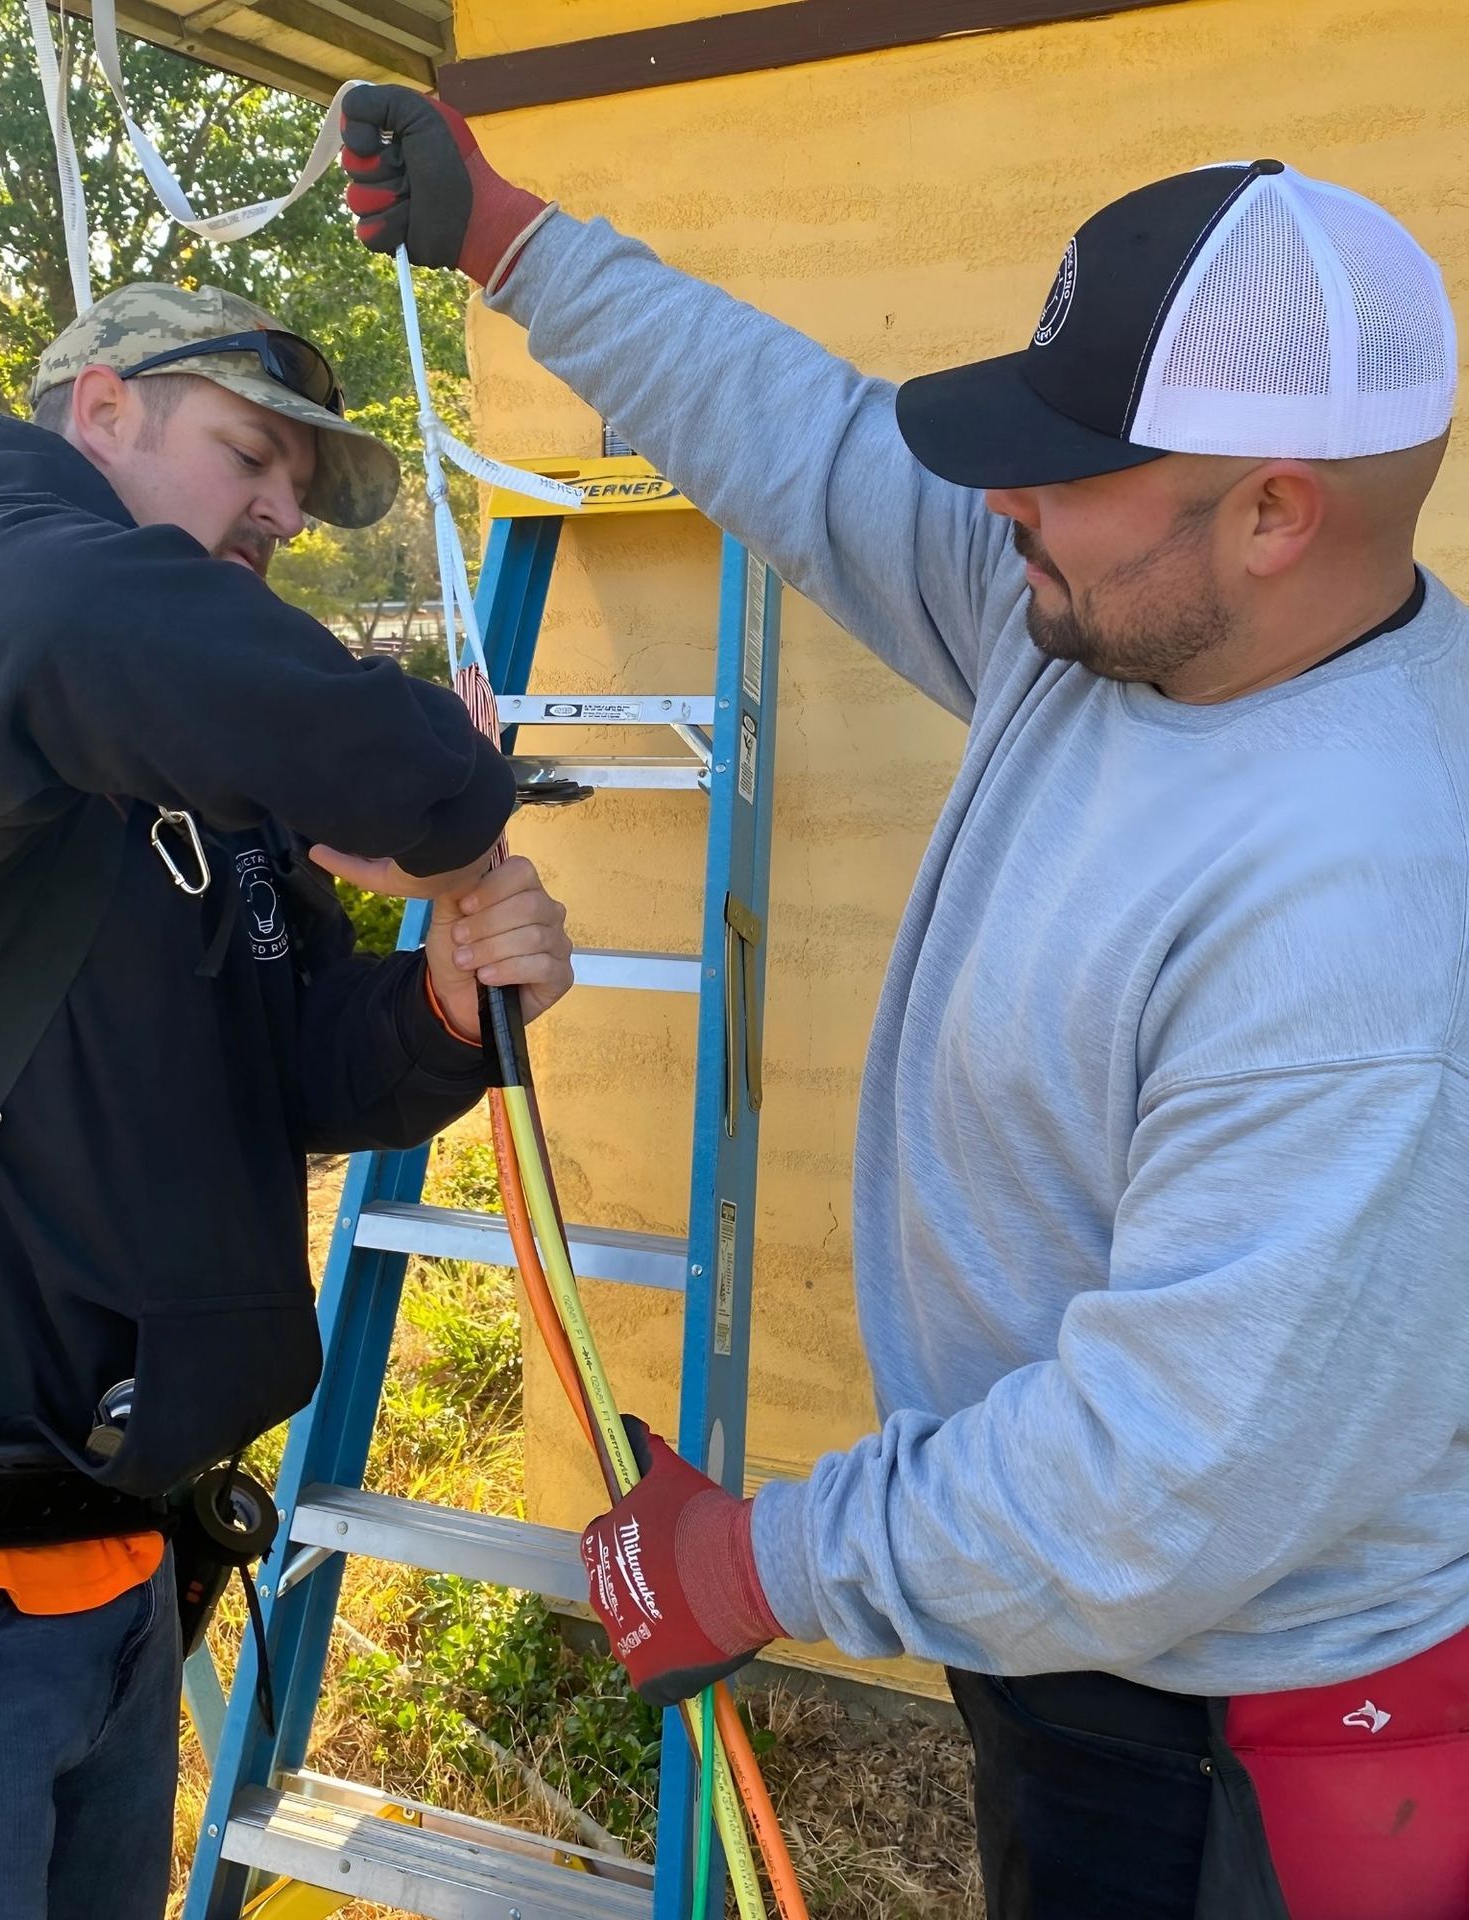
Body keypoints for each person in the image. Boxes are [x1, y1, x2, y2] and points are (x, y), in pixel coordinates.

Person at [341, 92, 1467, 1919]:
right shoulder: (1118, 620)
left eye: (1064, 464)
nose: (999, 497)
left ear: (1276, 511)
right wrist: (511, 237)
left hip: (1228, 1725)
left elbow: (1151, 1481)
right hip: (1084, 1643)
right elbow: (817, 447)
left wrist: (759, 1565)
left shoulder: (1361, 921)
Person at [0, 281, 575, 1917]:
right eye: (248, 454)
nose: (281, 509)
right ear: (99, 416)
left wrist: (435, 1006)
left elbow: (280, 1068)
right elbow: (353, 747)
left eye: (299, 494)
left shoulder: (156, 760)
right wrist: (447, 787)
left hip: (114, 1573)